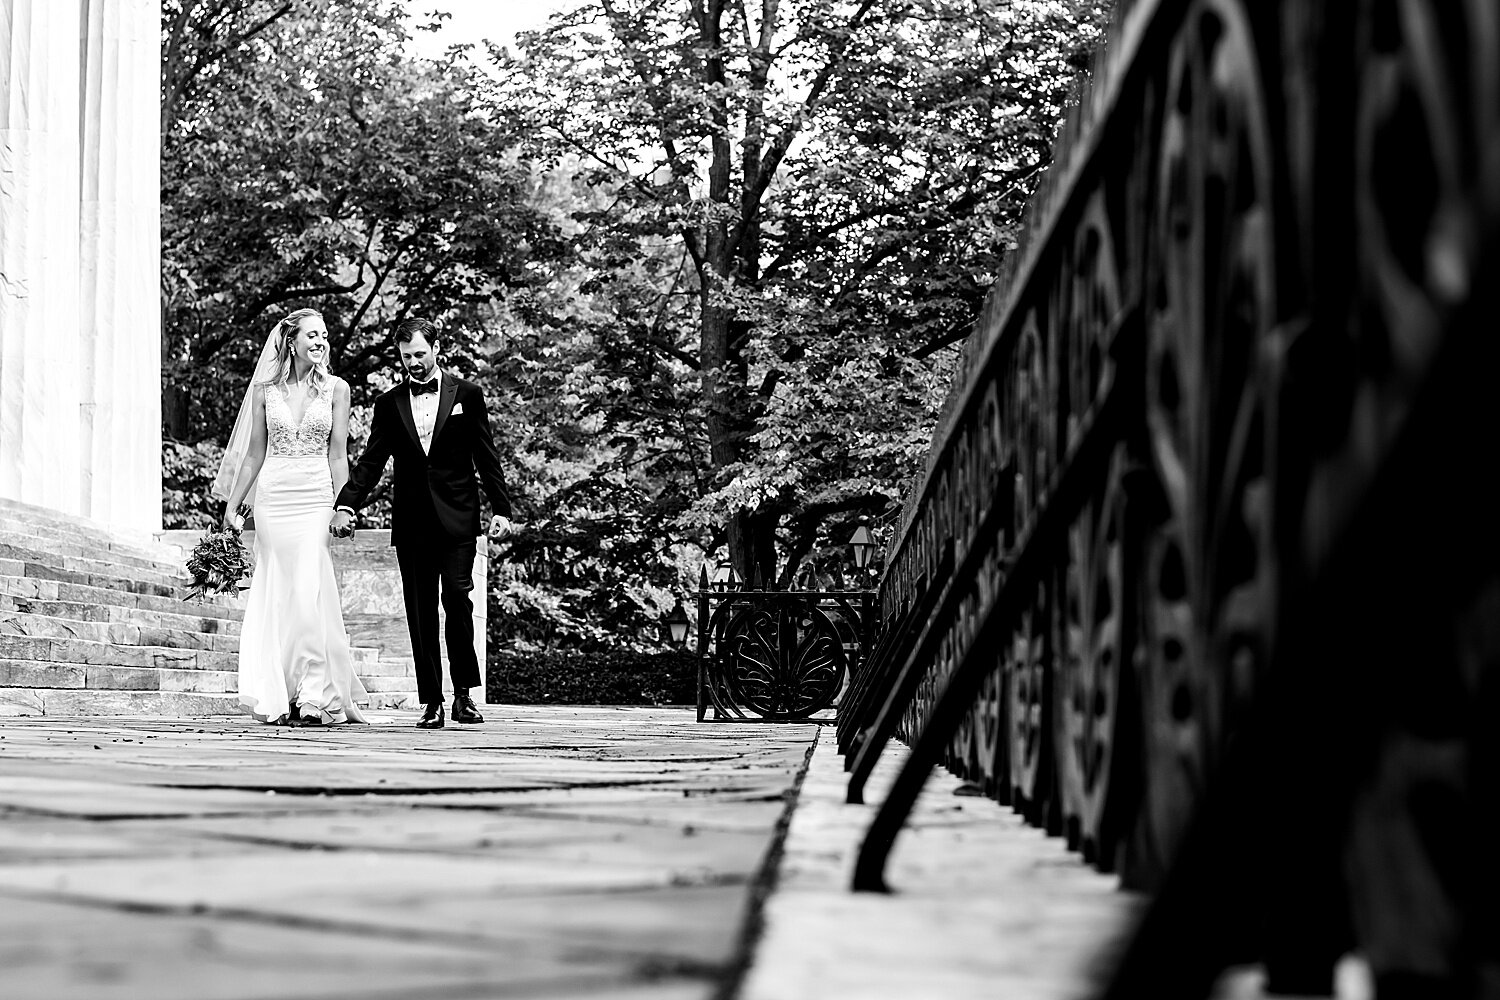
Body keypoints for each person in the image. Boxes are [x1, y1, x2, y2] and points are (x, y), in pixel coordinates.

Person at [330, 318, 514, 730]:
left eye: (419, 354)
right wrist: (346, 505)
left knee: (458, 600)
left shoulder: (467, 394)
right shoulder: (389, 404)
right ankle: (432, 701)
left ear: (436, 349)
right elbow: (371, 462)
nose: (413, 362)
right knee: (420, 612)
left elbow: (486, 455)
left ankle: (464, 695)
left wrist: (501, 508)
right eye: (406, 356)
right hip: (412, 522)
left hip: (459, 518)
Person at [213, 308, 369, 726]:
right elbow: (254, 453)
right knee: (279, 595)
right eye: (312, 335)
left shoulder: (337, 389)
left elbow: (338, 455)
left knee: (308, 592)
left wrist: (344, 506)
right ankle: (282, 692)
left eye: (324, 335)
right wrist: (232, 505)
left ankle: (315, 693)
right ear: (291, 341)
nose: (320, 342)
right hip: (274, 499)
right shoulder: (265, 392)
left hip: (316, 498)